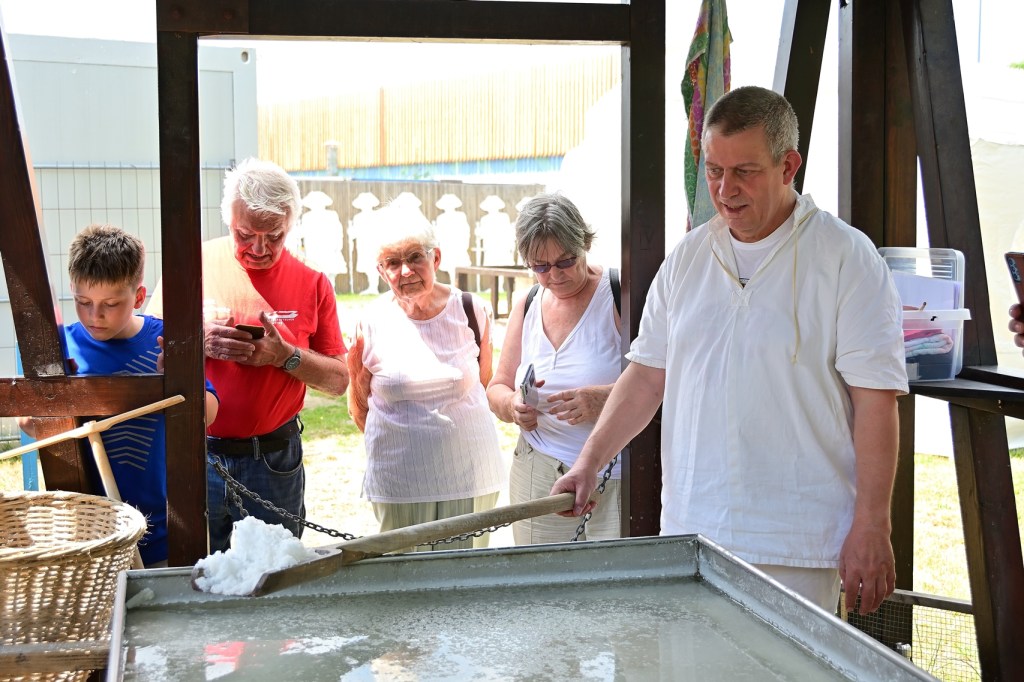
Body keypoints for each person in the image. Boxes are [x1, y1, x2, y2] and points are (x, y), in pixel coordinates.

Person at [551, 86, 909, 616]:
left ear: (789, 166)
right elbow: (646, 377)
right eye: (715, 170)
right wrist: (589, 462)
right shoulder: (689, 257)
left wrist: (873, 523)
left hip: (796, 540)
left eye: (745, 172)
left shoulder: (844, 257)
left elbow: (876, 400)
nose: (725, 190)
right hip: (692, 528)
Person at [147, 158, 349, 552]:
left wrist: (285, 356)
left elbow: (338, 382)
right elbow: (149, 351)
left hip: (273, 459)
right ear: (228, 221)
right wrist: (197, 341)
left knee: (274, 571)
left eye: (274, 236)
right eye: (245, 235)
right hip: (197, 452)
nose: (259, 248)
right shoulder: (191, 266)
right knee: (196, 569)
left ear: (291, 224)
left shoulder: (312, 281)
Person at [19, 224, 220, 567]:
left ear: (139, 297)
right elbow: (29, 423)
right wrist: (46, 408)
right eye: (83, 301)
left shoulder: (165, 339)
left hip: (164, 532)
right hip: (87, 534)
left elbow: (209, 412)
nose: (94, 316)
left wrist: (175, 380)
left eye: (110, 304)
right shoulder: (60, 346)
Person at [346, 204, 506, 550]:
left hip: (469, 474)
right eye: (392, 262)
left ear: (436, 258)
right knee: (403, 572)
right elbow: (358, 402)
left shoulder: (471, 309)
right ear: (381, 271)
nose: (405, 271)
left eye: (415, 257)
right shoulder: (370, 321)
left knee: (464, 573)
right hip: (398, 480)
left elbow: (484, 381)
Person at [486, 192, 623, 544]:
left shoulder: (619, 294)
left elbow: (661, 379)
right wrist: (513, 406)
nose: (555, 275)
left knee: (614, 578)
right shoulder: (529, 302)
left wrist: (604, 398)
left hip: (614, 474)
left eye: (565, 262)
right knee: (541, 575)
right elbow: (497, 386)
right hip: (539, 467)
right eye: (541, 267)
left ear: (585, 243)